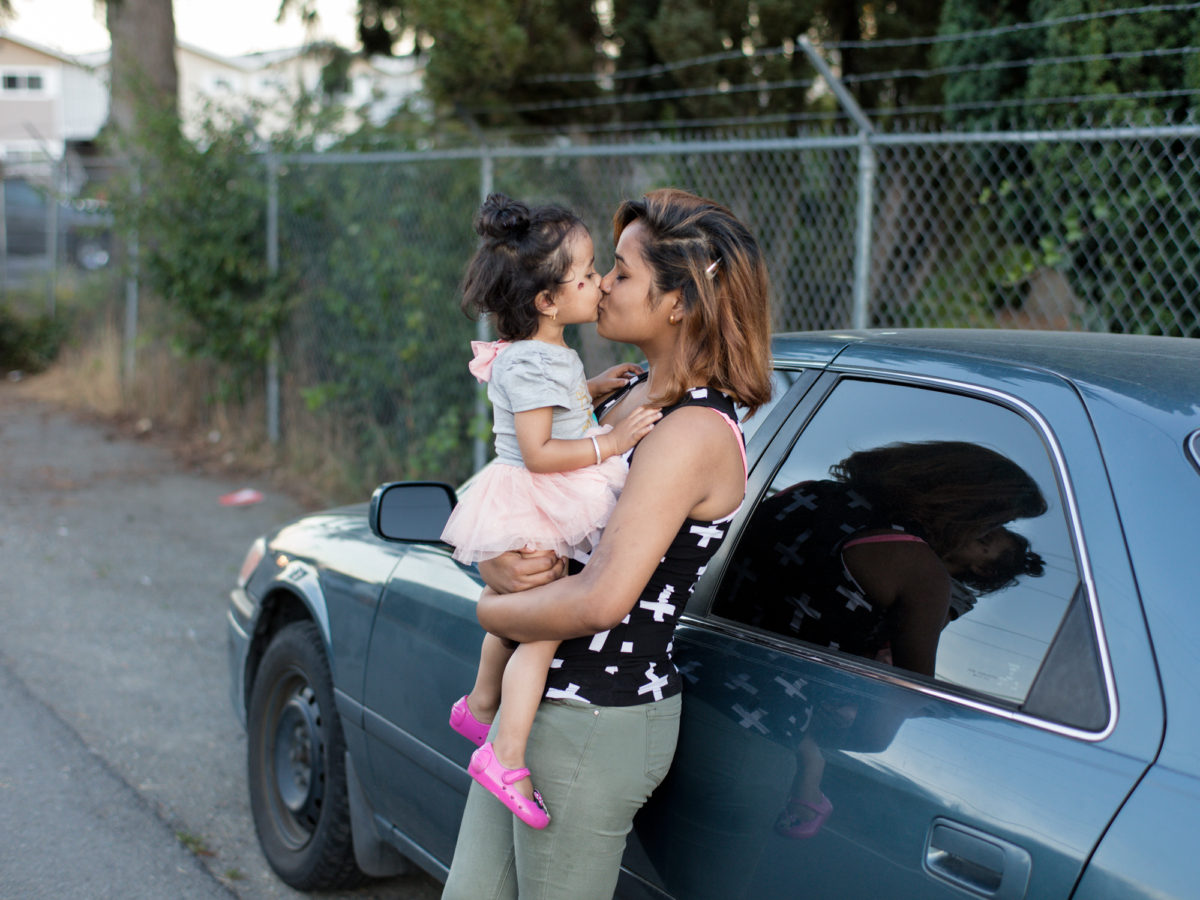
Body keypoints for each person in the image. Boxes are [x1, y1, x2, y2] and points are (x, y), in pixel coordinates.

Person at [440, 187, 773, 900]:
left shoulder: (692, 432)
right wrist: (503, 561)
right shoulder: (627, 397)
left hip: (594, 715)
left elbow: (599, 599)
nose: (602, 285)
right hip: (539, 710)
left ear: (678, 302)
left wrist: (492, 611)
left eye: (620, 272)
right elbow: (532, 489)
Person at [440, 193, 661, 830]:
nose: (599, 284)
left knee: (525, 617)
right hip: (543, 493)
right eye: (589, 274)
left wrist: (590, 391)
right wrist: (614, 440)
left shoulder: (539, 355)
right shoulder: (538, 359)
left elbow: (548, 410)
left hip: (533, 494)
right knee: (544, 626)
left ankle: (480, 703)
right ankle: (504, 752)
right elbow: (539, 450)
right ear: (547, 301)